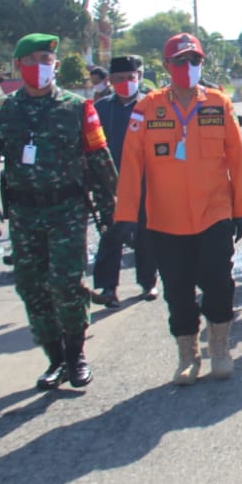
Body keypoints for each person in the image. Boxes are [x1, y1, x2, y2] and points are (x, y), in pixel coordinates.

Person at [0, 33, 117, 390]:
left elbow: (98, 158)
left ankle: (76, 355)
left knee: (66, 284)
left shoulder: (78, 108)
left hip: (67, 209)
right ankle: (55, 358)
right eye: (32, 60)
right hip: (24, 212)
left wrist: (111, 207)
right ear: (18, 66)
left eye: (47, 60)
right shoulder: (0, 111)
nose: (41, 66)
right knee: (31, 286)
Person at [114, 33, 242, 385]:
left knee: (219, 284)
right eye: (181, 61)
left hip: (214, 214)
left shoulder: (219, 103)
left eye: (195, 61)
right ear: (167, 66)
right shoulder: (147, 108)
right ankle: (188, 355)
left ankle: (219, 348)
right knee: (177, 291)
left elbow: (237, 161)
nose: (188, 67)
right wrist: (126, 215)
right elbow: (131, 164)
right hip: (166, 219)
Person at [90, 55, 158, 308]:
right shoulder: (101, 108)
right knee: (111, 233)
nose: (125, 82)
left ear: (138, 77)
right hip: (112, 183)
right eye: (119, 79)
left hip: (146, 181)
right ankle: (108, 288)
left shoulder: (152, 105)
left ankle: (148, 282)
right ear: (111, 80)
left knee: (146, 235)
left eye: (130, 77)